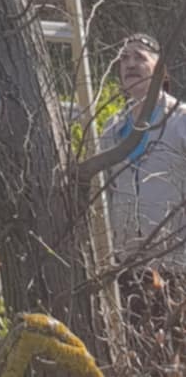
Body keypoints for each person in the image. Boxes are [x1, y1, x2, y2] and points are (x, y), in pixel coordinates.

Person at [100, 32, 186, 365]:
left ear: (161, 72)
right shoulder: (111, 128)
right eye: (124, 58)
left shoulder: (180, 121)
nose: (131, 64)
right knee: (136, 358)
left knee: (171, 358)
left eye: (140, 57)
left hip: (176, 265)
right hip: (127, 266)